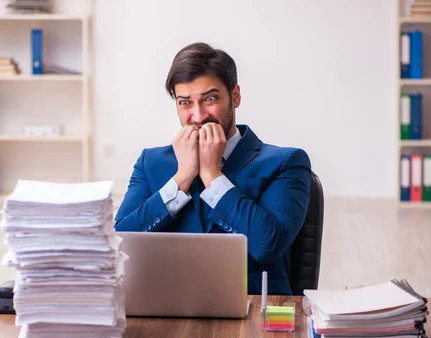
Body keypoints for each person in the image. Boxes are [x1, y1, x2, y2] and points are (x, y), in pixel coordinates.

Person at [114, 42, 311, 295]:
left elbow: (268, 244)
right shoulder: (150, 163)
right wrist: (181, 178)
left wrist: (212, 176)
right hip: (166, 305)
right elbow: (118, 245)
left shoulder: (285, 162)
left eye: (210, 99)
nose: (198, 116)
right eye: (185, 103)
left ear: (235, 97)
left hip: (253, 311)